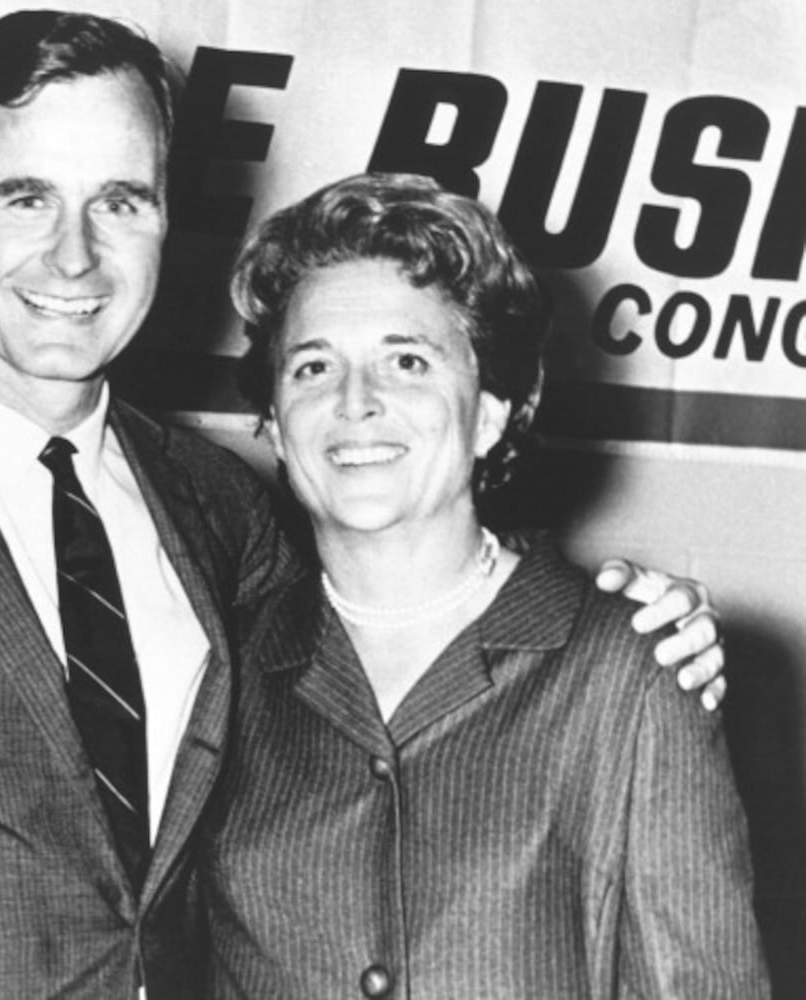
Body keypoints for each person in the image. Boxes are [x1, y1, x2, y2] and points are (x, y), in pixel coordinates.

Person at [0, 12, 723, 999]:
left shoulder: (224, 512)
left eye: (121, 201)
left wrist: (612, 617)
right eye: (25, 195)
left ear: (170, 219)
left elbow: (400, 610)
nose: (73, 257)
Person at [200, 172, 767, 998]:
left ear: (492, 413)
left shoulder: (623, 668)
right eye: (313, 366)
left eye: (407, 360)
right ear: (276, 426)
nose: (355, 403)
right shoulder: (223, 668)